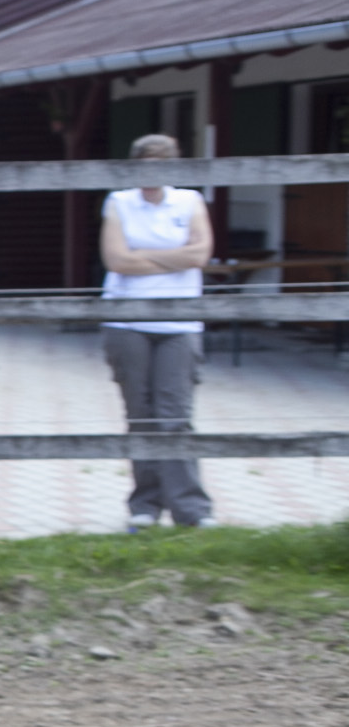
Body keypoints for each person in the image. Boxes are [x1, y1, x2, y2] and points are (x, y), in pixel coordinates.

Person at [100, 131, 213, 530]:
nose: (154, 174)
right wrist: (173, 259)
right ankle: (144, 506)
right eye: (146, 165)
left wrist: (142, 257)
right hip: (127, 321)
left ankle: (192, 509)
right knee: (141, 415)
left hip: (180, 321)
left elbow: (200, 254)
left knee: (176, 414)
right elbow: (116, 260)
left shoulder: (190, 201)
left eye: (162, 165)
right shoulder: (118, 202)